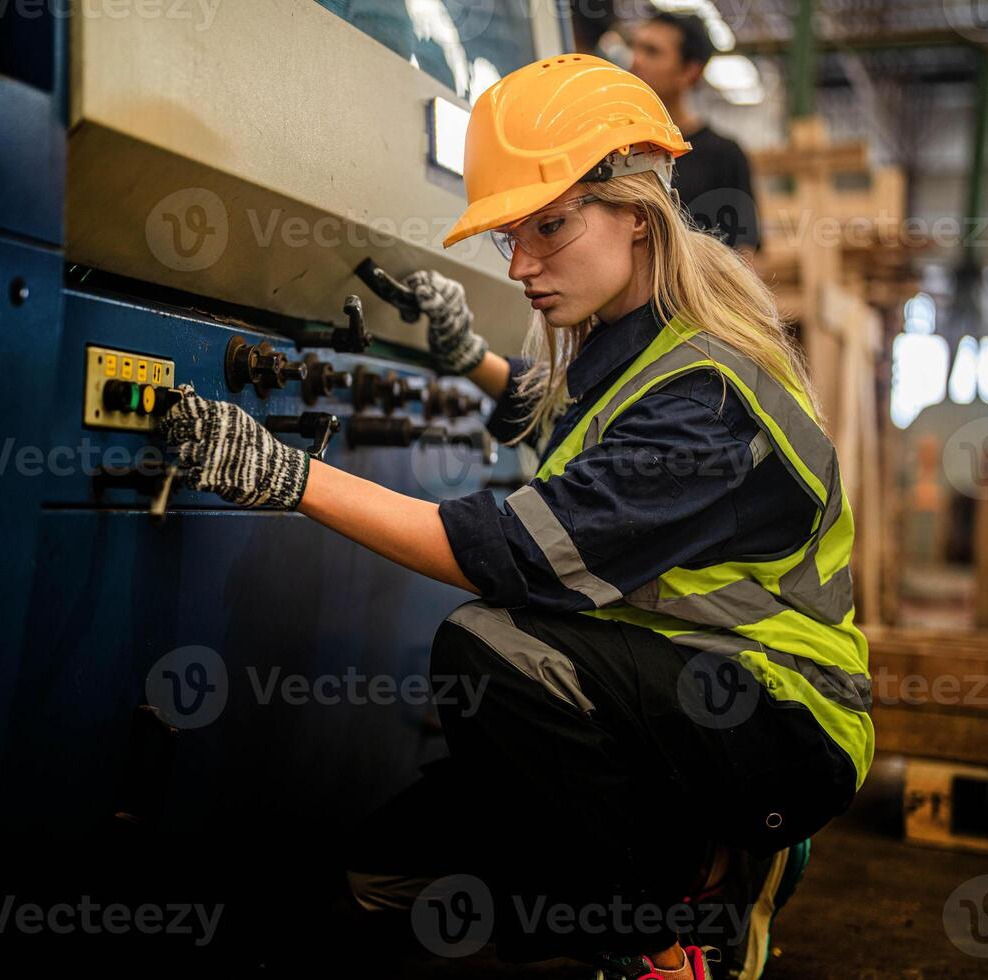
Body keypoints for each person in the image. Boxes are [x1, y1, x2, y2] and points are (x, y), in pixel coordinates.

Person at [154, 54, 871, 980]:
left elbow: (510, 552)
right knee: (388, 877)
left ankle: (671, 931)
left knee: (491, 644)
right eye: (510, 238)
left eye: (551, 227)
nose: (524, 266)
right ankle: (685, 855)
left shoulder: (710, 395)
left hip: (777, 719)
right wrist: (470, 358)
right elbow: (578, 433)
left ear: (639, 217)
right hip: (660, 694)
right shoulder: (638, 346)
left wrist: (288, 475)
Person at [629, 11, 761, 262]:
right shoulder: (619, 149)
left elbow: (743, 254)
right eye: (634, 48)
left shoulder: (723, 155)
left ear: (690, 71)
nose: (635, 60)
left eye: (652, 52)